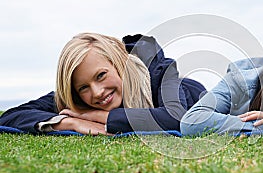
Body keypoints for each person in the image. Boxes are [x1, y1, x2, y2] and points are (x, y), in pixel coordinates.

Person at [0, 33, 206, 135]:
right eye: (83, 87)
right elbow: (12, 116)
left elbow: (177, 117)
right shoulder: (77, 100)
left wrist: (98, 117)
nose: (97, 92)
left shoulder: (161, 71)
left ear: (118, 64)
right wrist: (71, 123)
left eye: (100, 75)